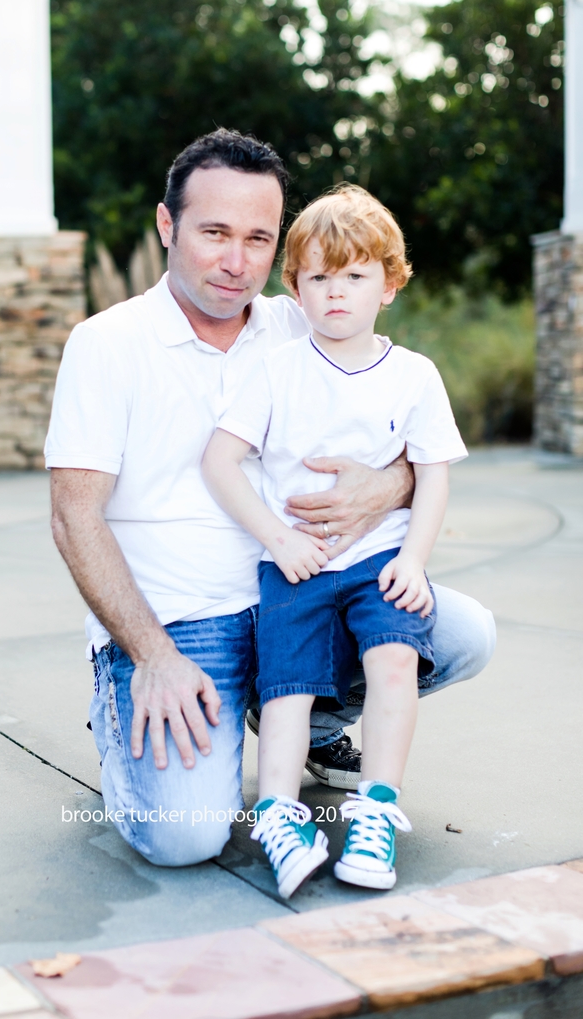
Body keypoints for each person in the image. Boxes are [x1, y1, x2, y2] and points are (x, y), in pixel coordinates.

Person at [46, 129, 495, 869]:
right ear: (167, 225)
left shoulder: (301, 320)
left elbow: (416, 445)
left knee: (460, 633)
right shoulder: (107, 343)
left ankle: (312, 717)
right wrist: (150, 654)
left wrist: (386, 487)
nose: (236, 261)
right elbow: (73, 517)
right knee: (185, 836)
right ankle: (124, 710)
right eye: (214, 232)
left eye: (258, 238)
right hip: (183, 622)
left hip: (307, 587)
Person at [203, 185, 467, 897]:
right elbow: (219, 462)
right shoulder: (277, 370)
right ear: (296, 287)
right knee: (287, 689)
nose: (336, 292)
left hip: (381, 558)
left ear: (389, 282)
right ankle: (280, 816)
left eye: (354, 275)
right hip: (296, 562)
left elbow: (433, 476)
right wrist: (276, 540)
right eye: (318, 277)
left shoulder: (414, 376)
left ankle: (376, 808)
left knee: (392, 664)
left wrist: (413, 557)